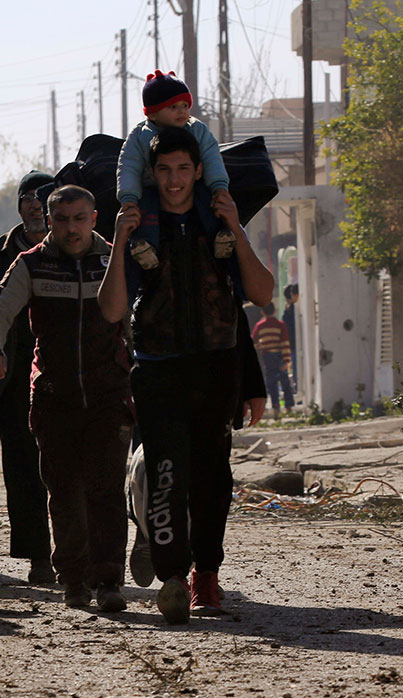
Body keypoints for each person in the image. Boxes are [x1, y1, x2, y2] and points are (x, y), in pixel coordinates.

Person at [97, 126, 274, 624]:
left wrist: (237, 229)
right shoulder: (140, 233)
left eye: (183, 169)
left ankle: (207, 575)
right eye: (164, 170)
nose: (174, 180)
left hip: (217, 368)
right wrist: (120, 241)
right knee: (166, 473)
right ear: (151, 175)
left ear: (199, 171)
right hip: (157, 371)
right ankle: (174, 576)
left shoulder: (216, 228)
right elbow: (112, 311)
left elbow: (259, 296)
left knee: (213, 477)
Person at [0, 185, 134, 613]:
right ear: (49, 221)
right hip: (53, 396)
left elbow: (140, 313)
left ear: (94, 219)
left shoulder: (116, 257)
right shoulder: (31, 264)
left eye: (79, 218)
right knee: (63, 492)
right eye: (61, 219)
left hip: (109, 395)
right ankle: (73, 581)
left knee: (105, 490)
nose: (71, 228)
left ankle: (108, 580)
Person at [0, 170, 56, 585]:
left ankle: (79, 552)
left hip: (65, 371)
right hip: (13, 379)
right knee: (23, 467)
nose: (35, 204)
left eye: (43, 196)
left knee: (72, 464)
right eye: (27, 198)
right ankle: (38, 555)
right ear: (19, 206)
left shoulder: (77, 248)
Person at [116, 70, 235, 269]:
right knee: (145, 212)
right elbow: (128, 166)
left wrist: (219, 186)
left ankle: (220, 237)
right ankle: (144, 247)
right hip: (150, 189)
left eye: (185, 106)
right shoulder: (139, 136)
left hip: (192, 187)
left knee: (208, 203)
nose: (182, 111)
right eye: (173, 107)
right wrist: (129, 199)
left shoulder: (197, 129)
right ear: (152, 113)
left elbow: (211, 157)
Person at [253, 304, 294, 419]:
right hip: (280, 356)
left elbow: (253, 340)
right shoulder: (280, 325)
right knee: (285, 381)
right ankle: (289, 406)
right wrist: (287, 360)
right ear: (275, 311)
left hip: (268, 357)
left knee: (272, 383)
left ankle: (275, 407)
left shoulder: (260, 326)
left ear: (262, 312)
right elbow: (285, 343)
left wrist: (260, 346)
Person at [283, 284, 300, 389]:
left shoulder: (290, 311)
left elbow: (287, 329)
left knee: (297, 370)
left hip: (293, 344)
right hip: (295, 344)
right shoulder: (292, 310)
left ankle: (299, 388)